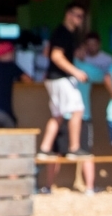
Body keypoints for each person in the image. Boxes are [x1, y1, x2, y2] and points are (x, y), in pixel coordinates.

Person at [39, 28, 92, 193]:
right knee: (78, 110)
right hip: (61, 80)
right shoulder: (64, 36)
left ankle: (44, 149)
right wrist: (76, 72)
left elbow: (47, 52)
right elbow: (55, 55)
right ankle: (74, 148)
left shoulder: (57, 36)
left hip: (53, 80)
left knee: (57, 116)